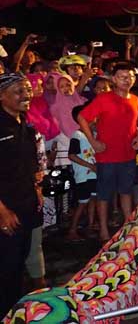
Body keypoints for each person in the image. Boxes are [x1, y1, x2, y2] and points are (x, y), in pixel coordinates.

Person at [78, 62, 138, 241]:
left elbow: (133, 125)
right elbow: (82, 117)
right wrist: (93, 141)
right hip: (107, 156)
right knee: (104, 195)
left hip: (128, 154)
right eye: (122, 77)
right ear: (113, 79)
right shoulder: (104, 98)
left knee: (126, 191)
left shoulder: (135, 99)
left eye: (129, 76)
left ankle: (129, 226)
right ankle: (103, 229)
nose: (126, 80)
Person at [0, 73, 42, 313]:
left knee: (19, 263)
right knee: (6, 267)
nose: (26, 95)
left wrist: (36, 190)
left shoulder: (23, 122)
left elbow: (29, 165)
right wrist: (2, 211)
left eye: (27, 89)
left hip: (26, 205)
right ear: (1, 96)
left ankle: (16, 311)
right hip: (7, 210)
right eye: (18, 91)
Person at [66, 104, 98, 241]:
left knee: (92, 200)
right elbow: (72, 155)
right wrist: (89, 165)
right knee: (82, 203)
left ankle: (90, 227)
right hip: (84, 175)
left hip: (93, 173)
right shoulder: (77, 135)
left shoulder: (93, 135)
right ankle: (72, 230)